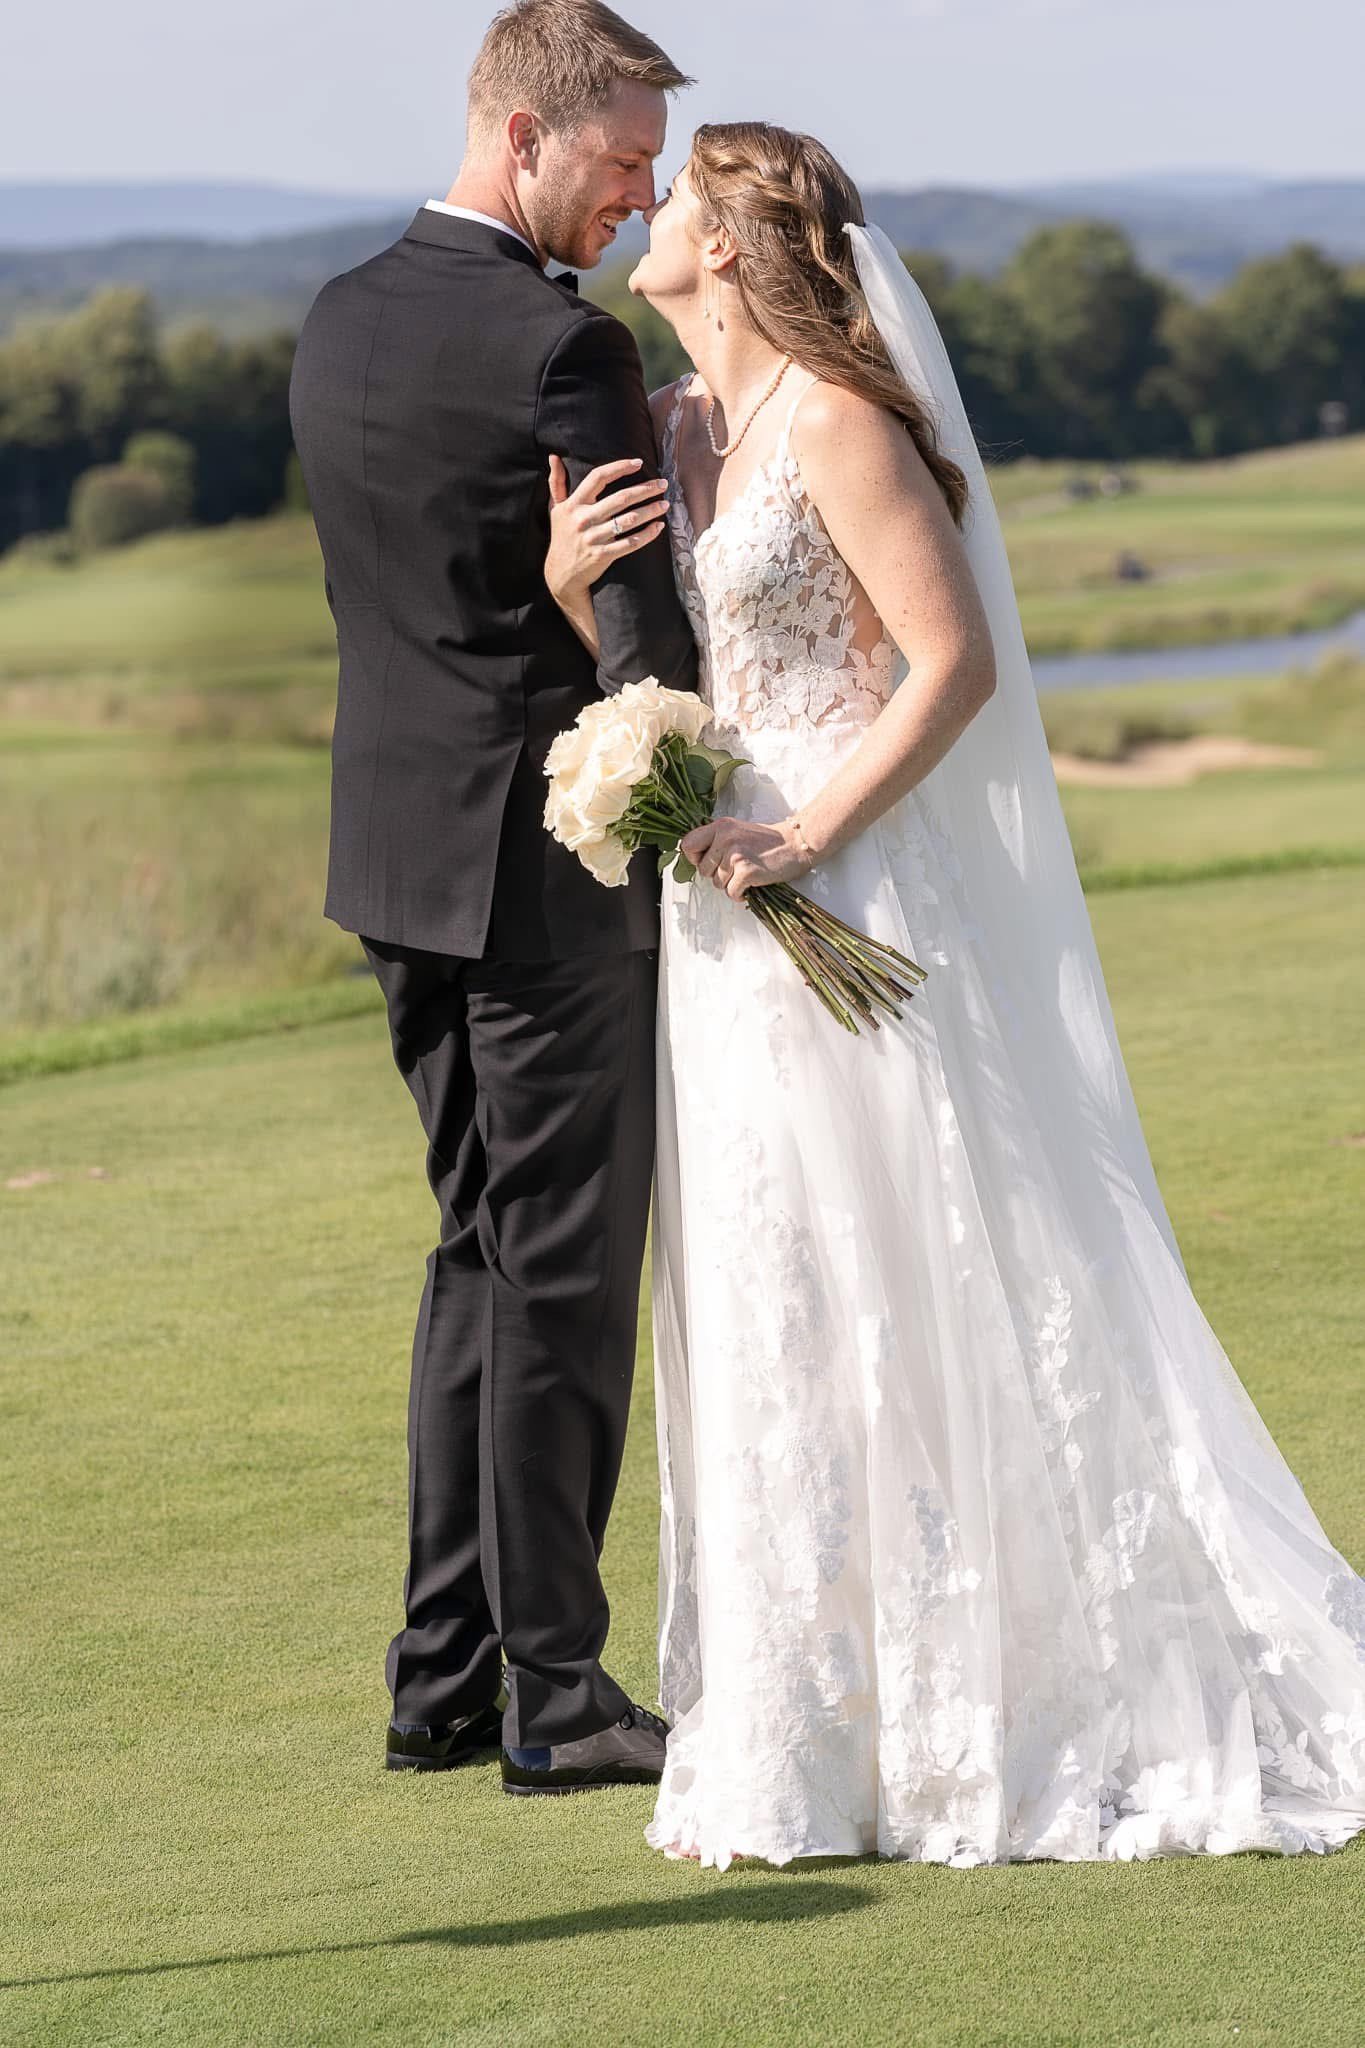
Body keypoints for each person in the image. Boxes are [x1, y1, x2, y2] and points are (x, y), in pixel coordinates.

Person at [544, 121, 1365, 1867]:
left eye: (673, 203)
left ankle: (1005, 1683)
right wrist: (577, 618)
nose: (646, 222)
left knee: (921, 1238)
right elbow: (674, 654)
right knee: (773, 1267)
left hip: (851, 867)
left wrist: (809, 832)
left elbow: (956, 663)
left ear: (739, 245)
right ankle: (816, 1713)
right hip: (721, 912)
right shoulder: (683, 428)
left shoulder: (838, 423)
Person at [287, 0, 698, 1798]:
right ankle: (560, 1697)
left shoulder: (340, 317)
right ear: (522, 137)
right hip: (545, 873)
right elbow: (645, 656)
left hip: (393, 855)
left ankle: (441, 1675)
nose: (633, 200)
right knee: (559, 1280)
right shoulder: (565, 350)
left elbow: (408, 603)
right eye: (617, 164)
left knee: (477, 1254)